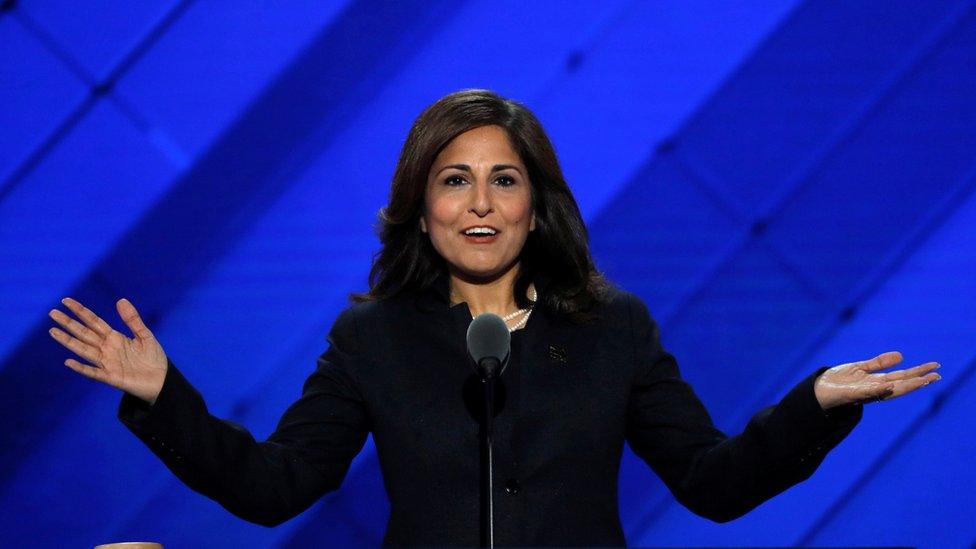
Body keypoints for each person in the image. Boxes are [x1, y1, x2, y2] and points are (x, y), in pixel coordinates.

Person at [48, 89, 941, 547]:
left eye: (503, 179)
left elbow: (714, 482)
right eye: (454, 179)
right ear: (422, 202)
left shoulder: (612, 326)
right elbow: (276, 485)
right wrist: (164, 394)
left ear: (533, 202)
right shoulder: (375, 337)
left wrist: (815, 402)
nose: (480, 203)